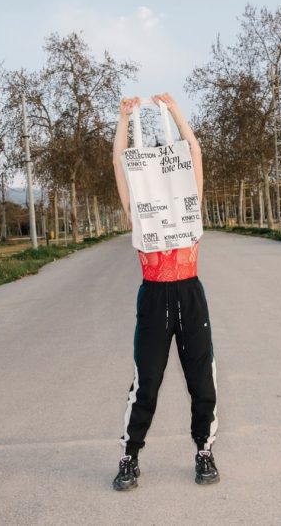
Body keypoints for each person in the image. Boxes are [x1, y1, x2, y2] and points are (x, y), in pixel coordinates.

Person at [110, 93, 219, 491]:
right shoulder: (137, 212)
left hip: (190, 296)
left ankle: (204, 451)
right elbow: (120, 162)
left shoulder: (191, 203)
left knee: (201, 380)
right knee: (146, 383)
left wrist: (174, 112)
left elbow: (193, 150)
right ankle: (129, 457)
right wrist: (125, 119)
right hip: (154, 299)